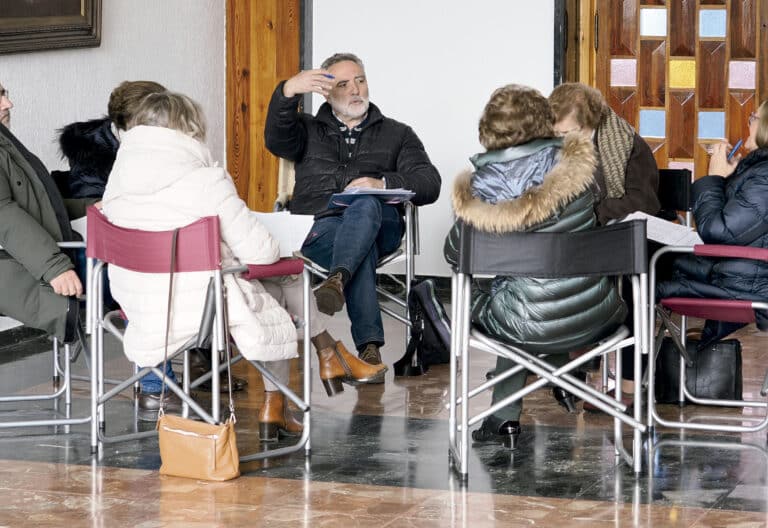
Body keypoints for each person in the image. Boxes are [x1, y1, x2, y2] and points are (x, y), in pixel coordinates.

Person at [102, 91, 301, 439]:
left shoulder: (116, 183)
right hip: (200, 311)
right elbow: (261, 253)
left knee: (275, 283)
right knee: (286, 277)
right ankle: (277, 404)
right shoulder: (206, 180)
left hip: (135, 307)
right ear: (190, 129)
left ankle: (308, 371)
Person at [443, 84, 627, 449]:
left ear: (489, 130)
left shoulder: (479, 193)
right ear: (544, 122)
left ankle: (503, 419)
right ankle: (551, 377)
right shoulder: (580, 171)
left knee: (516, 310)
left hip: (523, 321)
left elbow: (454, 253)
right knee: (531, 299)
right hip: (595, 315)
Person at [264, 52, 441, 370]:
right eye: (344, 84)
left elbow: (430, 183)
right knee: (361, 249)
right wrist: (288, 90)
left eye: (360, 80)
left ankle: (337, 280)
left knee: (365, 202)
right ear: (327, 92)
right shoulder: (305, 130)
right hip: (321, 228)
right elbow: (275, 138)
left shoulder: (398, 134)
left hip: (380, 224)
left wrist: (381, 181)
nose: (355, 89)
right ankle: (369, 347)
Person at [549, 82, 660, 408]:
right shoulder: (555, 146)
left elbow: (643, 202)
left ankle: (626, 386)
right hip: (580, 241)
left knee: (629, 287)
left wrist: (589, 214)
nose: (562, 141)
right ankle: (570, 372)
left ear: (591, 123)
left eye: (569, 133)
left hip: (627, 240)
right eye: (557, 135)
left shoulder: (626, 144)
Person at [657, 100, 768, 344]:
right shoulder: (759, 173)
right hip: (737, 277)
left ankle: (633, 373)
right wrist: (732, 178)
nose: (748, 123)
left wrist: (714, 177)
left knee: (641, 276)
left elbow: (717, 231)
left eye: (753, 118)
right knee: (649, 263)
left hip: (743, 287)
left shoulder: (764, 177)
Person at [0, 80, 94, 346]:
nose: (8, 104)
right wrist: (55, 268)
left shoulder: (5, 144)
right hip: (22, 267)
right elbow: (3, 216)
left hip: (41, 257)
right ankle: (156, 380)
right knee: (137, 281)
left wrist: (91, 207)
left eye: (5, 93)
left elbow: (36, 204)